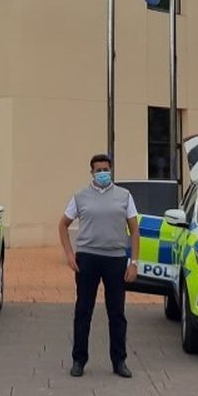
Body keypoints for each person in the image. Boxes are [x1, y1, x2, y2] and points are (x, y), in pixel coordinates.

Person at [58, 153, 138, 378]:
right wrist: (69, 254)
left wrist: (134, 262)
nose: (103, 173)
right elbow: (63, 225)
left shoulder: (124, 196)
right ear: (91, 172)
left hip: (115, 259)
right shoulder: (80, 196)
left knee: (117, 313)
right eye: (99, 170)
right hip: (88, 259)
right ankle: (79, 360)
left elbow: (134, 230)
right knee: (83, 311)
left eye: (106, 169)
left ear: (111, 170)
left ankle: (119, 361)